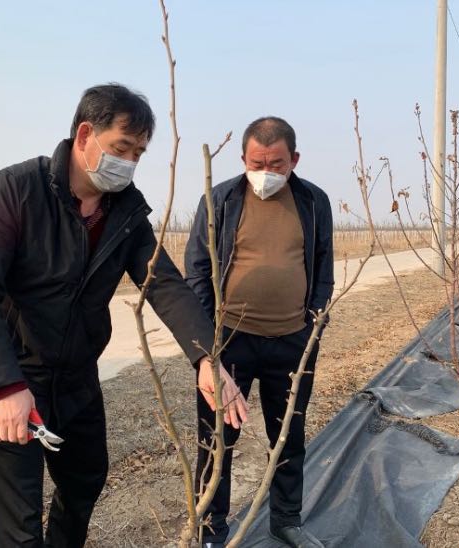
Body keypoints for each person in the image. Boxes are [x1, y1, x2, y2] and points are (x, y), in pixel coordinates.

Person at [0, 83, 248, 547]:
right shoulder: (17, 190)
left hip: (77, 380)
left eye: (139, 154)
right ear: (85, 135)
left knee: (85, 481)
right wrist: (3, 385)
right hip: (14, 374)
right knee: (19, 525)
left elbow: (163, 283)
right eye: (121, 148)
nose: (129, 162)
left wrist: (207, 357)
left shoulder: (125, 212)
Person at [185, 116, 334, 548]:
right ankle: (211, 529)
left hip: (292, 341)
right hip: (230, 342)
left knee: (287, 435)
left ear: (294, 160)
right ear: (243, 159)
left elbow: (323, 264)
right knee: (217, 438)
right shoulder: (220, 200)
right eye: (257, 163)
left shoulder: (313, 201)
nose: (266, 172)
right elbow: (197, 269)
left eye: (276, 164)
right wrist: (207, 343)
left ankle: (285, 519)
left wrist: (314, 322)